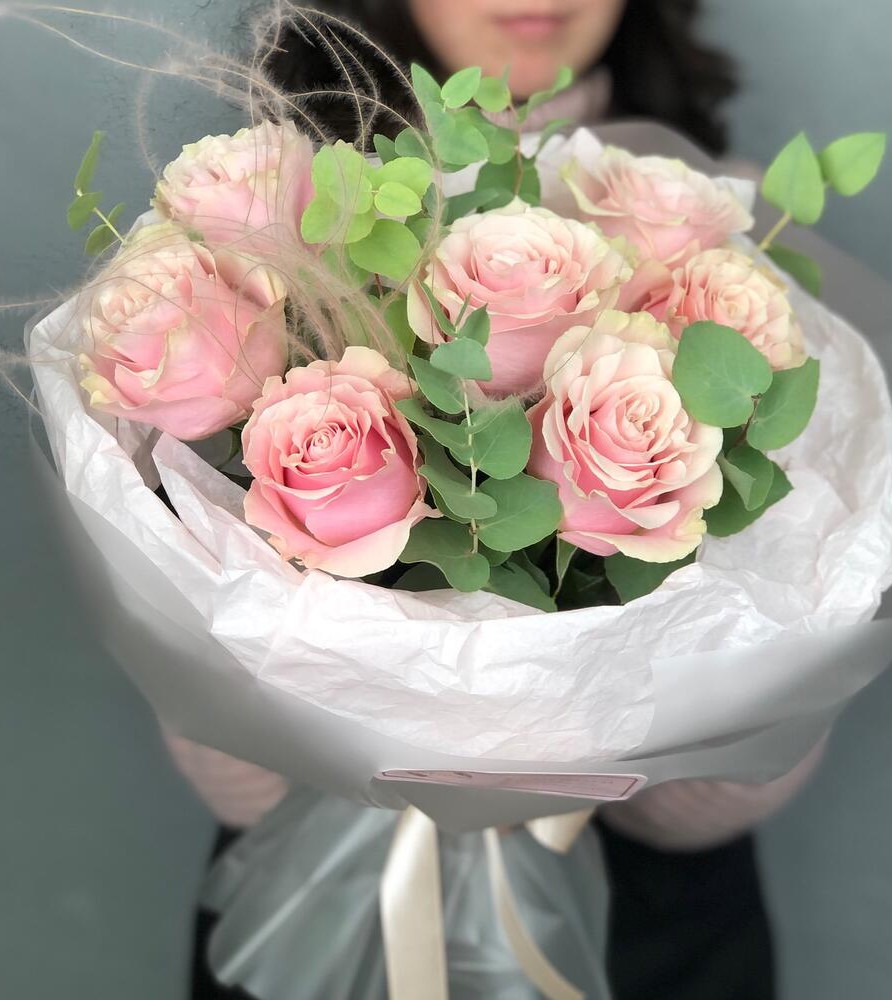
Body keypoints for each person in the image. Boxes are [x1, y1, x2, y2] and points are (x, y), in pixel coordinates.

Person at [172, 3, 824, 997]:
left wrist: (585, 760)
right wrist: (373, 746)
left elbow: (792, 647)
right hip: (314, 892)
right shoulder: (275, 234)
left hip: (651, 916)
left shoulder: (736, 235)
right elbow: (218, 738)